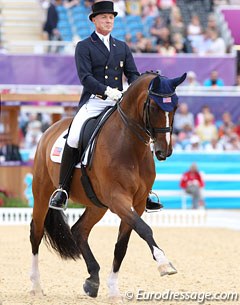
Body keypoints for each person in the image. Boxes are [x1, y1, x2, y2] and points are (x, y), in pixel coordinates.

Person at [49, 1, 161, 212]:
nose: (108, 21)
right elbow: (85, 77)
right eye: (104, 17)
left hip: (119, 102)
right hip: (95, 101)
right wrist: (107, 91)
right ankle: (62, 189)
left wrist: (136, 89)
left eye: (111, 18)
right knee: (73, 136)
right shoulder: (84, 46)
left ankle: (146, 191)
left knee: (144, 134)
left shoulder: (122, 46)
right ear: (94, 20)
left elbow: (133, 75)